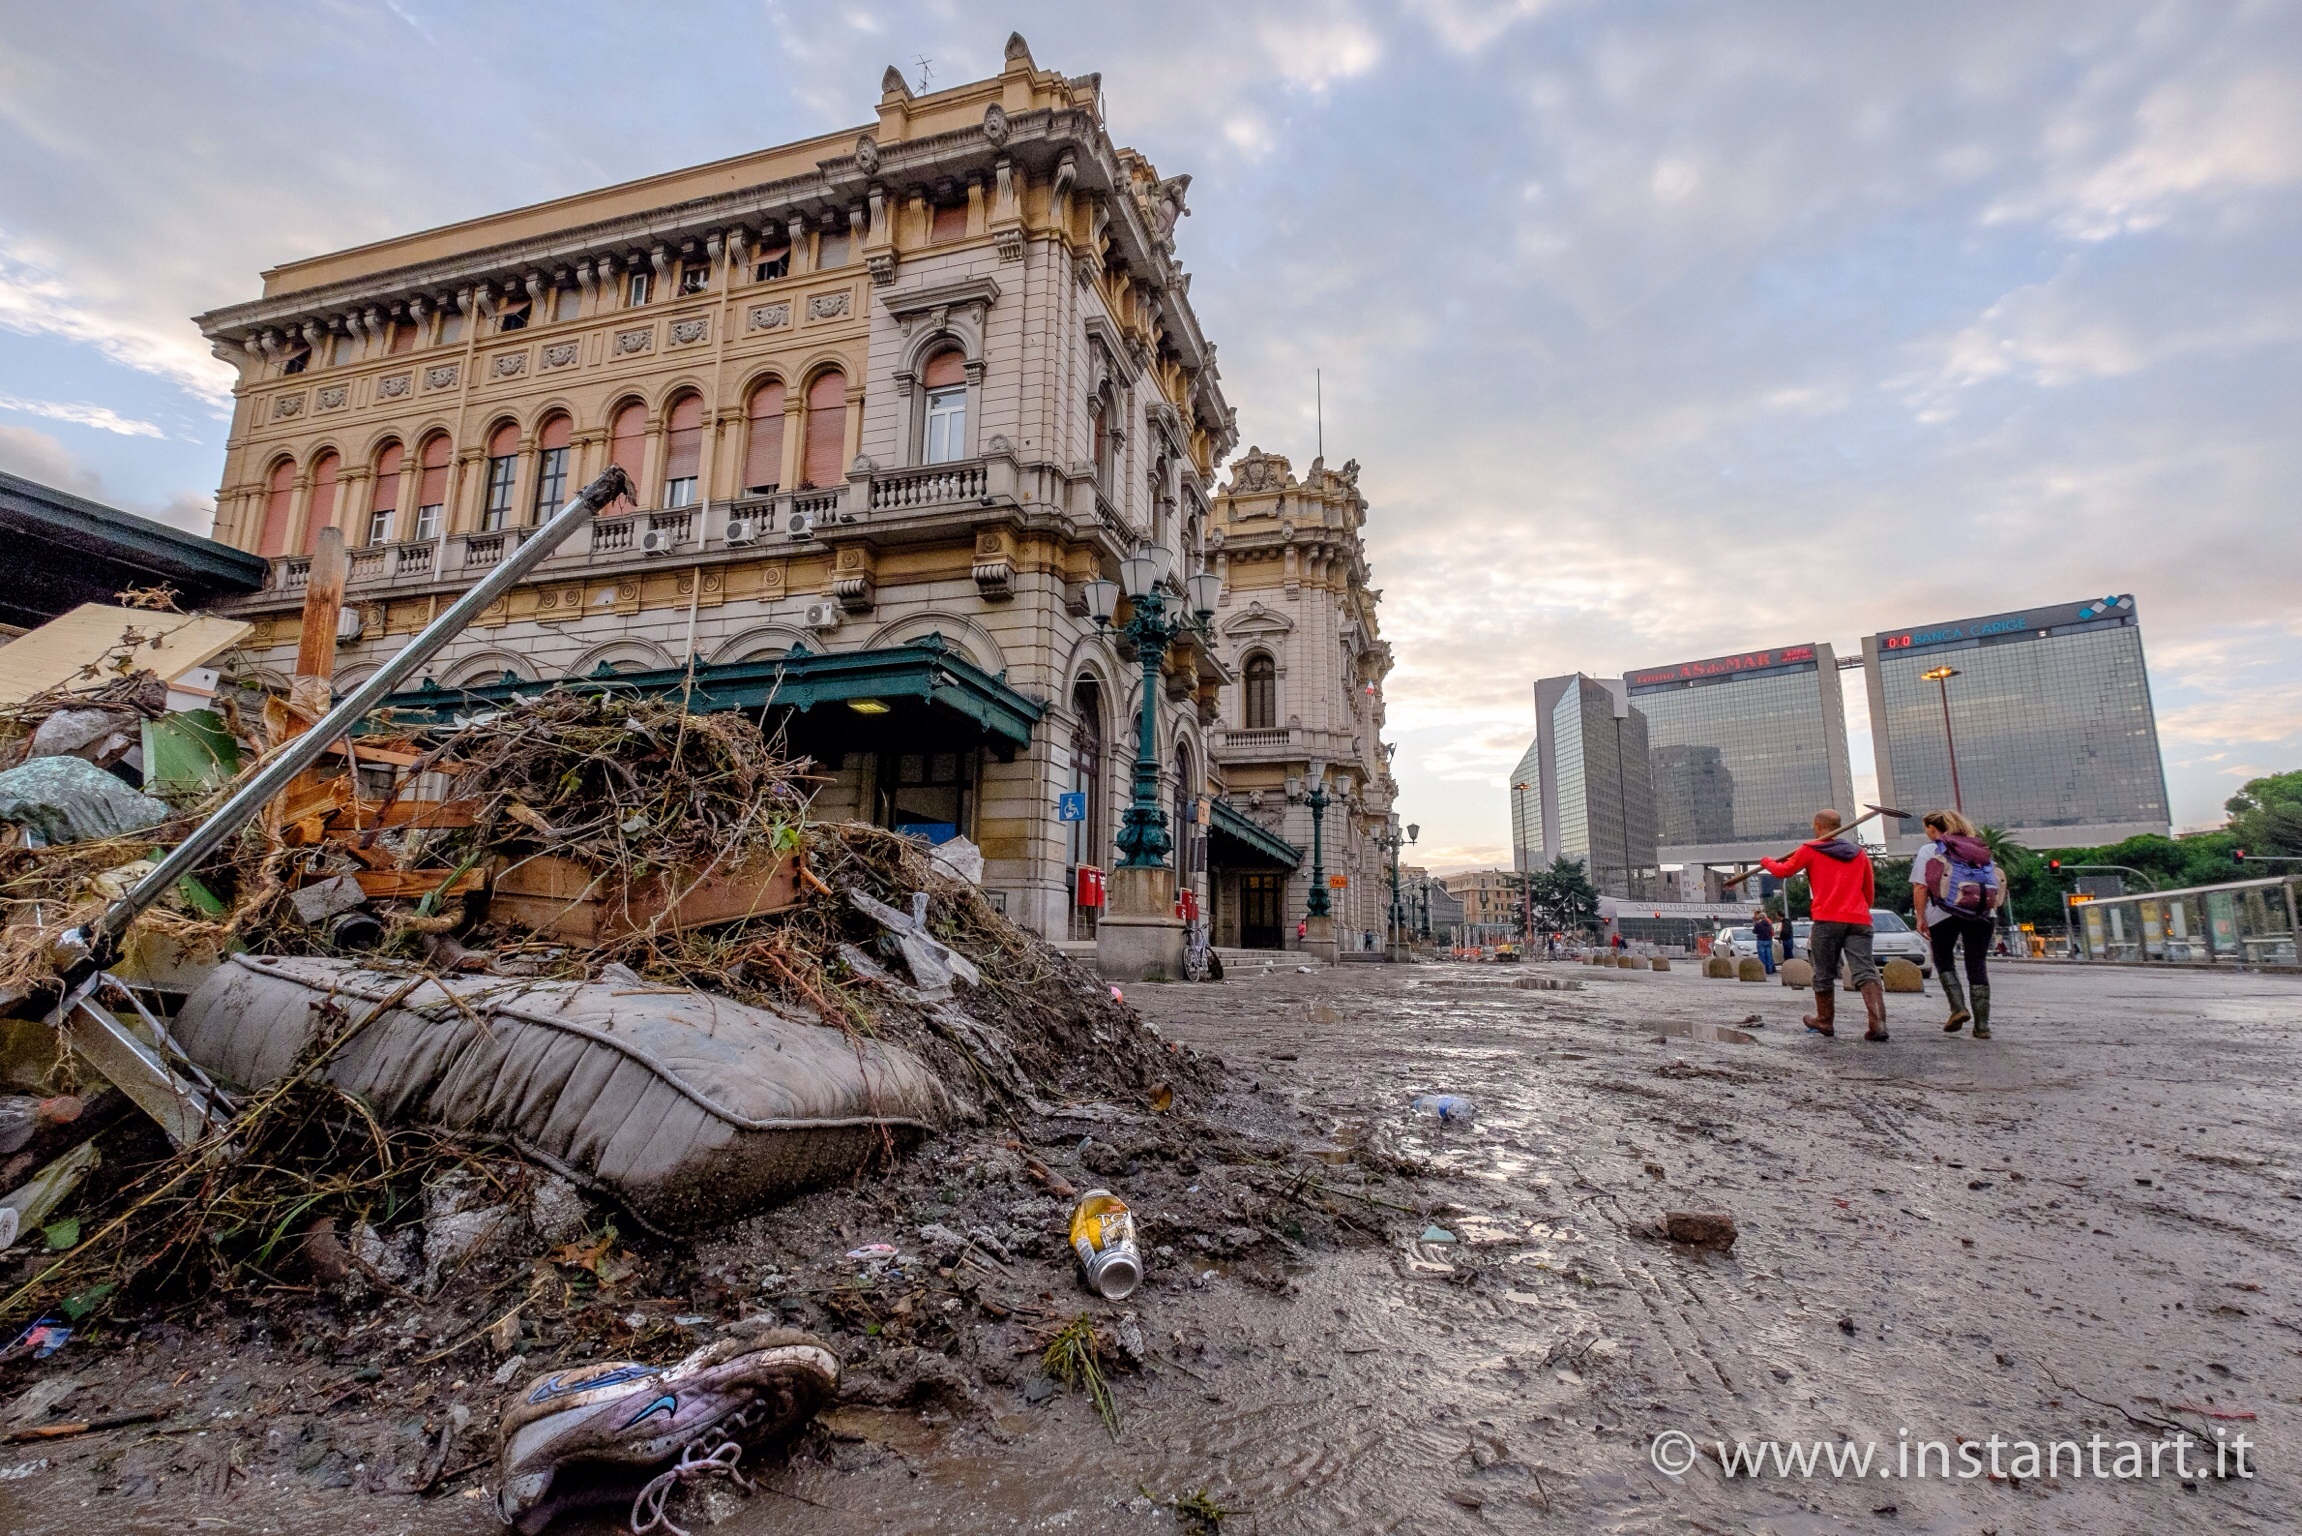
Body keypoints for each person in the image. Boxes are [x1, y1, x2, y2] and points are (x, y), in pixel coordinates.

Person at [1760, 809, 1886, 1041]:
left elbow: (1783, 871)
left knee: (1824, 972)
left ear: (1818, 825)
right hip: (1859, 919)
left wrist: (1766, 861)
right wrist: (1858, 910)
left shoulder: (1810, 849)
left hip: (1827, 920)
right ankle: (1878, 1024)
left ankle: (1825, 1021)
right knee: (1866, 972)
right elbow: (1868, 891)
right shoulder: (1858, 853)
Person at [1912, 809, 2001, 1039]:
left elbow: (1920, 887)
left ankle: (1958, 1008)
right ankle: (1982, 1025)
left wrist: (1920, 917)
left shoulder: (1930, 850)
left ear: (1933, 828)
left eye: (1926, 829)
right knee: (1977, 963)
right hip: (1982, 913)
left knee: (1943, 959)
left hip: (1943, 913)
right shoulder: (1978, 848)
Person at [1751, 910, 1777, 975]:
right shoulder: (1769, 923)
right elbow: (1771, 931)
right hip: (1768, 940)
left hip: (1761, 940)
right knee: (1769, 955)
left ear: (1760, 917)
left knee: (1762, 955)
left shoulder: (1758, 924)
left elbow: (1754, 931)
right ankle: (1770, 969)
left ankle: (1763, 969)